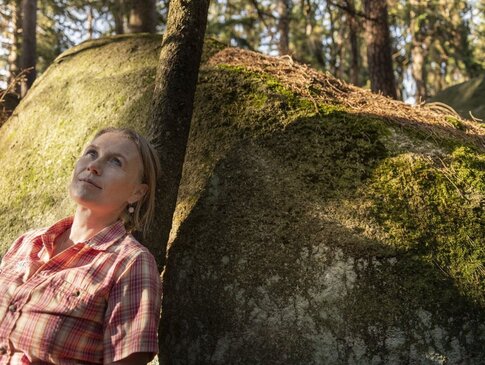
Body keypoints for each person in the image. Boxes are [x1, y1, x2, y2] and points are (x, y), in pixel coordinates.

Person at [0, 127, 162, 365]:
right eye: (91, 153)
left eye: (116, 162)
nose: (94, 166)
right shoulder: (26, 243)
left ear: (137, 192)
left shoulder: (131, 263)